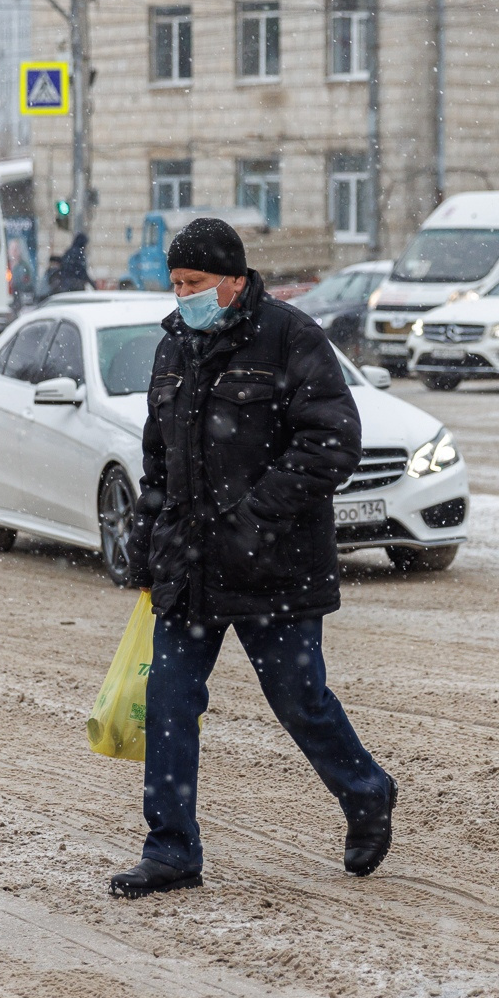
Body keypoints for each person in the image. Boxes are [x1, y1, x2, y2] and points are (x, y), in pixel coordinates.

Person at [112, 218, 397, 898]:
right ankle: (172, 848)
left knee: (299, 699)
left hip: (276, 564)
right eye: (176, 284)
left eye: (195, 283)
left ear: (234, 280)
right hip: (190, 564)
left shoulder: (289, 337)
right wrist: (148, 542)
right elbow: (159, 458)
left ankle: (366, 792)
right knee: (169, 701)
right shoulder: (173, 348)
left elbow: (333, 440)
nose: (183, 296)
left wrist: (256, 514)